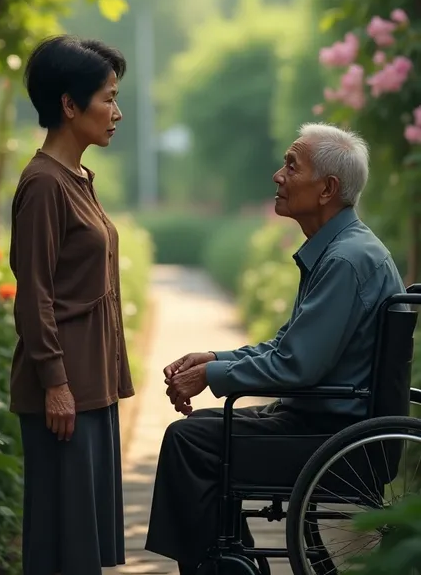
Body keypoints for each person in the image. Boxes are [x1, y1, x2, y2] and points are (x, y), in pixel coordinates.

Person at [145, 123, 405, 573]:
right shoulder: (342, 250)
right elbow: (288, 346)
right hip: (325, 422)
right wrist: (215, 360)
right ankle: (226, 560)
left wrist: (210, 377)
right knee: (201, 436)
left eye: (291, 165)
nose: (277, 176)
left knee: (191, 440)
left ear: (327, 189)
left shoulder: (346, 259)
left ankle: (223, 565)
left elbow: (295, 365)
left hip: (331, 437)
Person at [8, 35, 134, 575]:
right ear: (68, 104)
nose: (117, 112)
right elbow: (32, 292)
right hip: (63, 393)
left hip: (92, 386)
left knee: (85, 542)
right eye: (107, 98)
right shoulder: (43, 185)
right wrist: (56, 382)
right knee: (61, 544)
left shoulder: (79, 178)